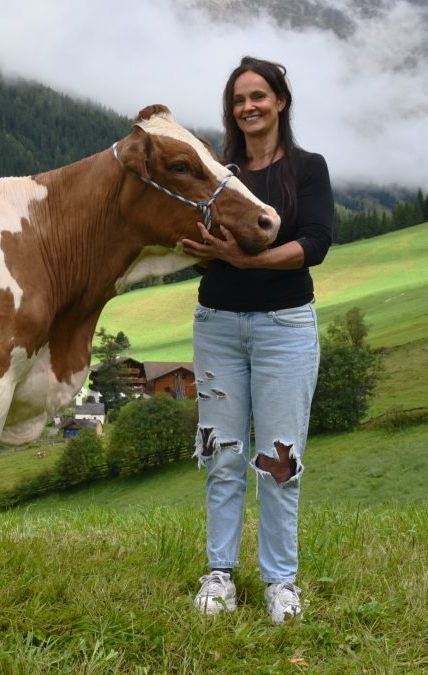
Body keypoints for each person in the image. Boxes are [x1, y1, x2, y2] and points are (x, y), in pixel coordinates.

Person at [180, 56, 334, 625]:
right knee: (221, 453)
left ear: (281, 102)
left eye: (259, 96)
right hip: (217, 324)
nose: (249, 107)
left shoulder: (308, 168)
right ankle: (219, 573)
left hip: (285, 328)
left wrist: (241, 257)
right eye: (240, 99)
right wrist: (208, 250)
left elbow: (315, 243)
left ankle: (279, 581)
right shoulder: (219, 171)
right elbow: (195, 237)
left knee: (279, 459)